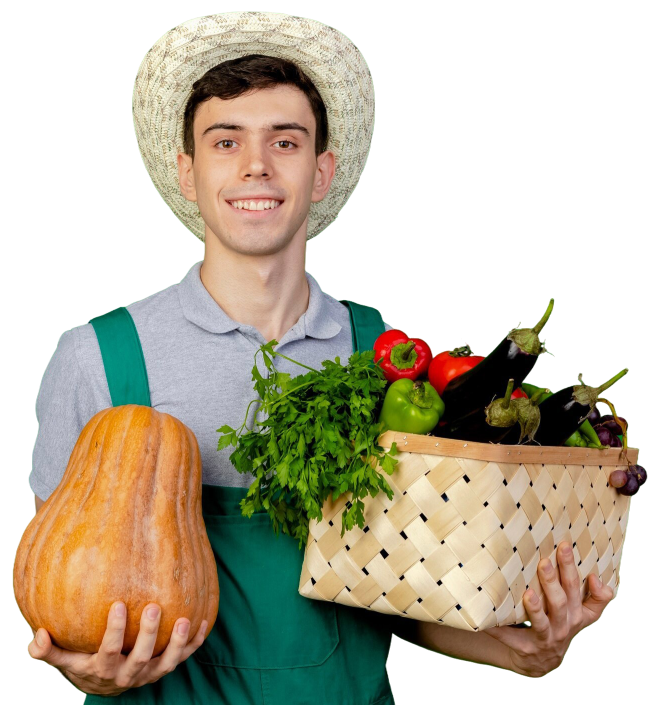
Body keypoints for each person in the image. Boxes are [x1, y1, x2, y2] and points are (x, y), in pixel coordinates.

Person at [25, 11, 615, 703]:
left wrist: (521, 654)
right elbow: (63, 586)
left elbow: (399, 595)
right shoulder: (96, 356)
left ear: (320, 169)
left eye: (285, 140)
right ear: (187, 171)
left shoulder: (387, 355)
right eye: (225, 141)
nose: (255, 166)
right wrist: (76, 665)